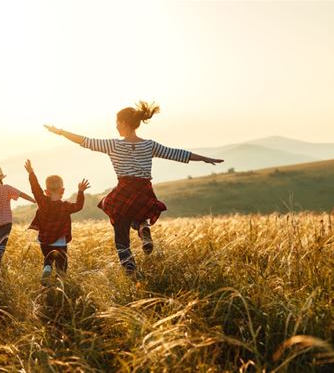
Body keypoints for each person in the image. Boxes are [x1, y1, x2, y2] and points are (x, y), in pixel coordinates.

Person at [44, 101, 223, 276]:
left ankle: (130, 269)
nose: (115, 126)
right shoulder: (149, 145)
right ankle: (142, 227)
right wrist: (205, 159)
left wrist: (60, 132)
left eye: (117, 122)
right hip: (144, 191)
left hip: (124, 191)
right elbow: (178, 154)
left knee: (118, 230)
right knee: (137, 215)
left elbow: (85, 141)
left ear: (123, 123)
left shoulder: (113, 145)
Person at [24, 159, 89, 285]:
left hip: (44, 240)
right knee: (61, 263)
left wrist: (31, 173)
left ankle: (47, 267)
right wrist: (80, 192)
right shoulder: (65, 206)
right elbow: (79, 206)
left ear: (46, 192)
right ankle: (61, 282)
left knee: (48, 258)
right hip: (60, 241)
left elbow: (35, 188)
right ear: (62, 191)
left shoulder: (42, 202)